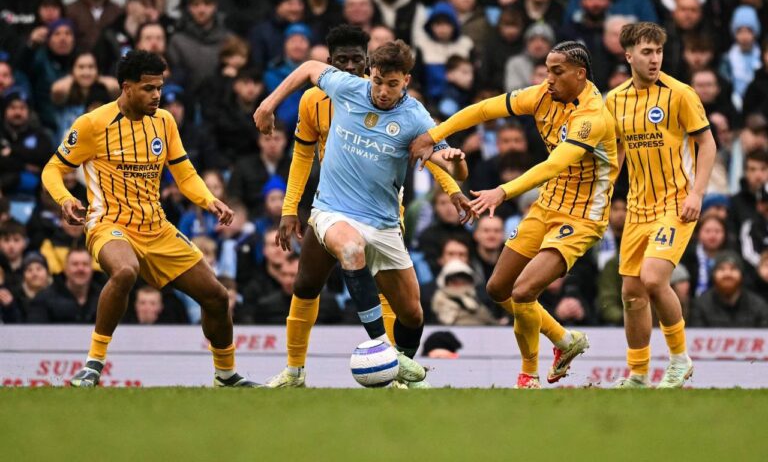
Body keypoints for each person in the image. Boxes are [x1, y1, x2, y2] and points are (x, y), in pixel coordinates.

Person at [259, 25, 468, 388]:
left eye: (391, 84)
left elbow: (438, 158)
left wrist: (455, 173)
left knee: (411, 312)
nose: (382, 91)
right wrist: (267, 104)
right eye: (376, 81)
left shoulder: (416, 117)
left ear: (405, 80)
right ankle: (306, 368)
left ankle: (398, 370)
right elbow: (307, 76)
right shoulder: (339, 91)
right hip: (332, 211)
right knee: (315, 277)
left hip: (385, 219)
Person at [40, 50, 257, 387]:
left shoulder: (165, 121)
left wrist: (209, 199)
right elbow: (53, 168)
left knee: (216, 297)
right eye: (148, 88)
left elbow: (184, 173)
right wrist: (66, 198)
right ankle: (93, 366)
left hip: (156, 228)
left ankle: (226, 375)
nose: (157, 95)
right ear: (126, 87)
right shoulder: (92, 124)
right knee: (126, 271)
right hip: (109, 223)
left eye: (159, 88)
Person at [411, 40, 617, 388]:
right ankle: (566, 341)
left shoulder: (592, 117)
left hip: (582, 217)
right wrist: (434, 134)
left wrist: (502, 192)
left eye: (557, 72)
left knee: (523, 292)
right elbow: (483, 110)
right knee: (497, 288)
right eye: (546, 70)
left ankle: (528, 375)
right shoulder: (541, 95)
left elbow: (554, 164)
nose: (547, 78)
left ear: (580, 74)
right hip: (547, 206)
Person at [604, 22, 716, 388]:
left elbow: (707, 144)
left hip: (675, 204)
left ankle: (680, 359)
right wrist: (604, 193)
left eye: (659, 52)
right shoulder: (614, 100)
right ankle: (638, 375)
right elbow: (616, 150)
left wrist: (697, 193)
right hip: (637, 208)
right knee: (632, 295)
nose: (654, 60)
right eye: (647, 52)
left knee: (653, 278)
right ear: (629, 55)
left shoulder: (680, 93)